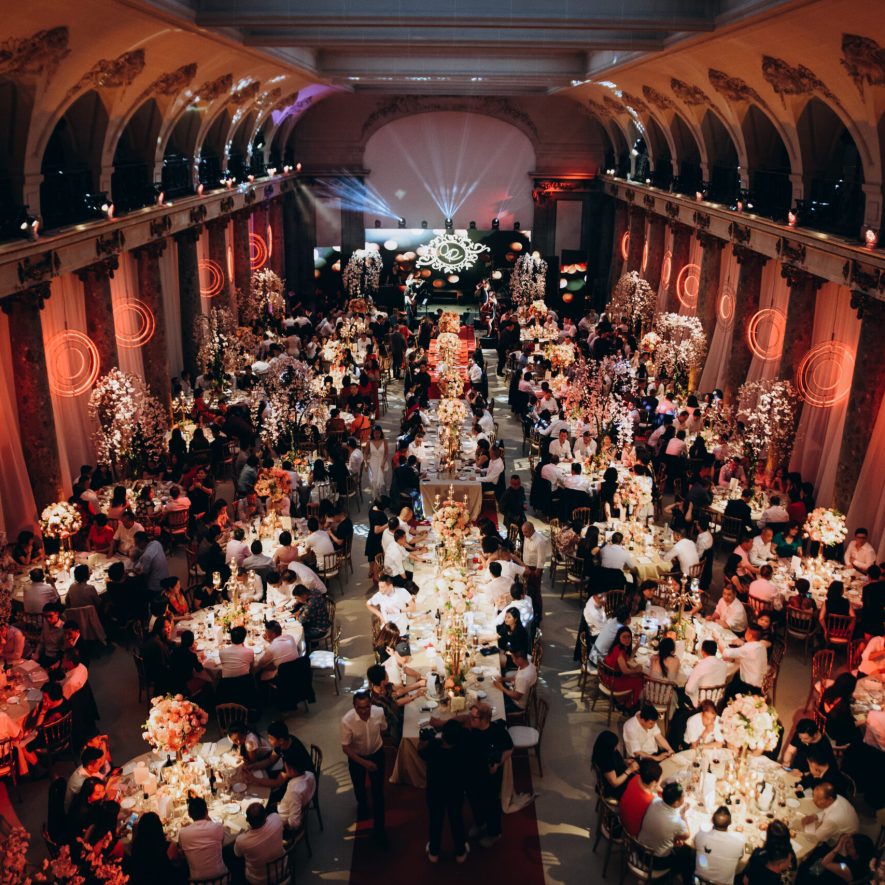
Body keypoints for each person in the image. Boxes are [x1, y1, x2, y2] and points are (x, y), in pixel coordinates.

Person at [341, 691, 388, 844]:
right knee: (359, 787)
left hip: (377, 754)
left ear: (371, 705)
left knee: (378, 791)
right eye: (360, 708)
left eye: (367, 707)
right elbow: (346, 748)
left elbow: (383, 729)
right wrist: (364, 763)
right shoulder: (347, 721)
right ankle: (363, 808)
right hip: (357, 758)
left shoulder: (379, 712)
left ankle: (380, 830)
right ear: (354, 706)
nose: (364, 711)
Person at [420, 719, 469, 863]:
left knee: (435, 820)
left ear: (443, 735)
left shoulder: (434, 747)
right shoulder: (462, 748)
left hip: (436, 791)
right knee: (456, 820)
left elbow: (420, 751)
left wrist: (427, 740)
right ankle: (460, 852)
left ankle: (434, 852)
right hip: (455, 790)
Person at [637, 780, 694, 883]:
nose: (684, 798)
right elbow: (687, 835)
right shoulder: (677, 822)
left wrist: (674, 838)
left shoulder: (655, 801)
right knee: (687, 854)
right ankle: (663, 880)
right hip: (655, 861)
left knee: (678, 845)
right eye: (682, 797)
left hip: (639, 850)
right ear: (676, 803)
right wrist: (683, 815)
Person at [125, 812, 182, 885]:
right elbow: (178, 864)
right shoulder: (169, 846)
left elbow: (131, 827)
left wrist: (134, 815)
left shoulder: (136, 847)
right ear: (159, 827)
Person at [233, 803, 284, 885]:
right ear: (265, 815)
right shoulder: (276, 818)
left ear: (248, 821)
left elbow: (237, 854)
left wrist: (246, 832)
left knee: (233, 860)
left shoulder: (241, 840)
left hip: (259, 880)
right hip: (282, 867)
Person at [694, 806, 746, 885]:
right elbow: (741, 857)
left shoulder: (700, 835)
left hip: (700, 881)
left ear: (712, 820)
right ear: (730, 822)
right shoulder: (739, 840)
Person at [178, 796, 226, 881]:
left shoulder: (183, 833)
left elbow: (182, 853)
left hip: (197, 881)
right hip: (221, 878)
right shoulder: (218, 827)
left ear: (189, 814)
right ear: (207, 812)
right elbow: (221, 846)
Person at [602, 626, 645, 707]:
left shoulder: (618, 647)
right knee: (640, 680)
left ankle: (625, 699)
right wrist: (637, 669)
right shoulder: (619, 652)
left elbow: (628, 659)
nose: (627, 639)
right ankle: (630, 705)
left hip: (607, 676)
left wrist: (636, 647)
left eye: (629, 637)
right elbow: (625, 671)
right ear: (619, 637)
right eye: (624, 637)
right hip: (612, 681)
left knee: (638, 676)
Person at [721, 623, 768, 697]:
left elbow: (725, 653)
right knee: (735, 676)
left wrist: (718, 640)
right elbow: (749, 659)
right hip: (760, 683)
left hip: (749, 687)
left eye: (746, 632)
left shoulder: (747, 648)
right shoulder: (762, 646)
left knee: (729, 687)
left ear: (750, 635)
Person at [619, 758, 662, 837]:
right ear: (653, 782)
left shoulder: (636, 778)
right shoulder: (651, 800)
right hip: (633, 829)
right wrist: (660, 790)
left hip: (622, 814)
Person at [591, 730, 638, 800]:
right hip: (615, 787)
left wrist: (624, 761)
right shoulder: (605, 760)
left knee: (642, 781)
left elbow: (615, 759)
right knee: (639, 791)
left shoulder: (607, 751)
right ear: (608, 748)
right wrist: (630, 770)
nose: (616, 747)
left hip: (621, 775)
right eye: (615, 746)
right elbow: (615, 783)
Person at [275, 756, 316, 834]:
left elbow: (294, 822)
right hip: (292, 806)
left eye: (285, 766)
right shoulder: (310, 774)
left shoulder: (294, 792)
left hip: (283, 819)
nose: (284, 768)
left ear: (292, 770)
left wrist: (285, 825)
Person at [684, 639, 729, 707]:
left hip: (701, 703)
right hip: (717, 701)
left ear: (703, 651)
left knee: (680, 692)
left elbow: (689, 689)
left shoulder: (701, 665)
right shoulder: (724, 665)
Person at [493, 647, 537, 714]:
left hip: (517, 705)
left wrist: (501, 687)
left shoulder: (523, 677)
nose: (513, 661)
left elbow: (516, 697)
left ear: (520, 659)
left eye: (513, 658)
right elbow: (515, 677)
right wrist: (503, 679)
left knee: (495, 704)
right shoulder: (528, 663)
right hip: (517, 691)